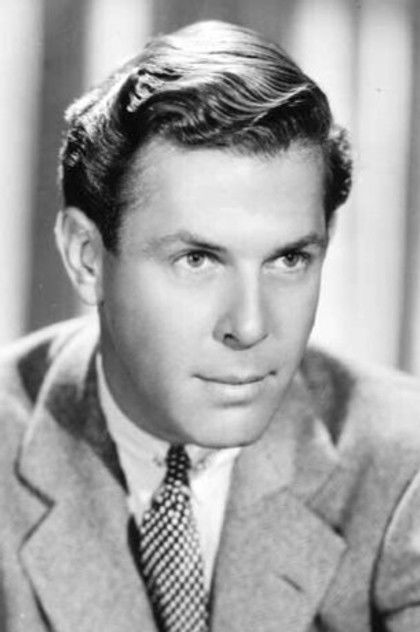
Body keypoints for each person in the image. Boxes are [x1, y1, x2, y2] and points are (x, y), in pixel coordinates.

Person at [1, 19, 420, 632]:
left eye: (288, 259)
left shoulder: (405, 469)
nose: (249, 326)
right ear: (87, 258)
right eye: (197, 260)